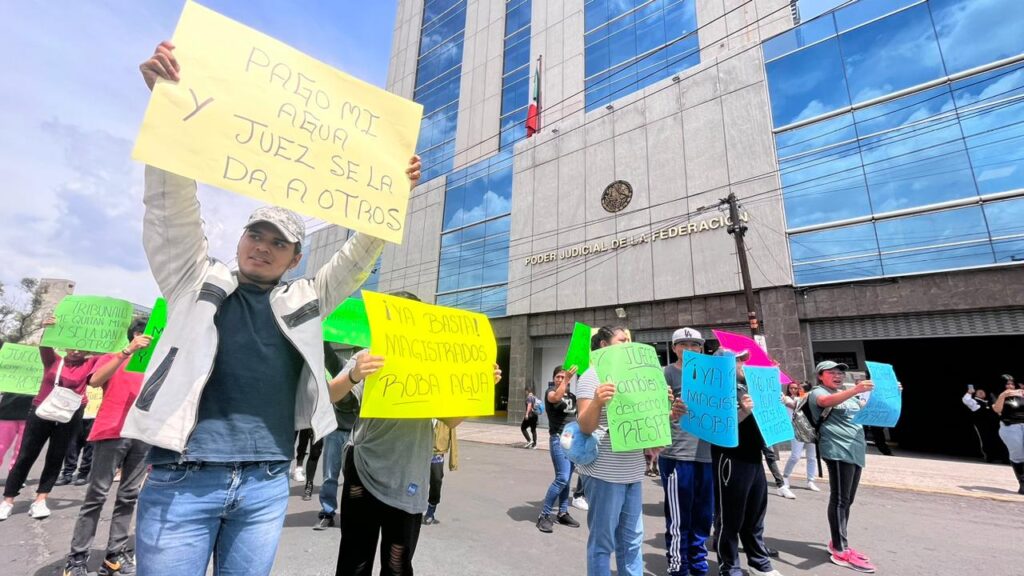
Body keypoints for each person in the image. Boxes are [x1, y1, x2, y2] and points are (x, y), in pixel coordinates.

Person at [126, 42, 421, 576]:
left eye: (277, 242)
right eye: (255, 235)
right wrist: (166, 114)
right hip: (182, 478)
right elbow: (170, 209)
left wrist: (390, 195)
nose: (262, 247)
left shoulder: (304, 300)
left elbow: (355, 261)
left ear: (295, 257)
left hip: (265, 484)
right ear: (240, 239)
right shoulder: (193, 278)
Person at [576, 325, 675, 576]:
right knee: (603, 542)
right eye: (622, 340)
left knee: (632, 540)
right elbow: (585, 426)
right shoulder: (591, 376)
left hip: (633, 470)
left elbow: (645, 425)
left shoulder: (637, 377)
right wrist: (597, 401)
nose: (628, 344)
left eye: (629, 340)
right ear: (604, 345)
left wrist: (665, 408)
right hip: (603, 473)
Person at [62, 322, 153, 576]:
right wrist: (127, 351)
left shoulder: (154, 364)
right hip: (111, 431)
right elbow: (95, 381)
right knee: (97, 495)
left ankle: (115, 554)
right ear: (137, 334)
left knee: (129, 495)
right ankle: (77, 559)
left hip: (141, 435)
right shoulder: (113, 357)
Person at [1, 326, 102, 521]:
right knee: (25, 455)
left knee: (56, 456)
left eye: (81, 348)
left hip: (70, 414)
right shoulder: (53, 360)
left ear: (88, 350)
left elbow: (110, 354)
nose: (75, 351)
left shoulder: (91, 363)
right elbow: (45, 344)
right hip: (42, 410)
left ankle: (41, 500)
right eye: (72, 347)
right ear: (65, 346)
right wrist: (49, 327)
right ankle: (8, 500)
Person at [711, 348, 785, 576]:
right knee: (730, 518)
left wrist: (774, 394)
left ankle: (758, 562)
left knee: (755, 515)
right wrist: (743, 411)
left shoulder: (750, 387)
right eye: (738, 360)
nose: (744, 363)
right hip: (730, 459)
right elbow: (718, 427)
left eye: (745, 358)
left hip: (754, 457)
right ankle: (729, 566)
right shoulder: (717, 389)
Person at [810, 360, 878, 572]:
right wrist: (856, 390)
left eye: (840, 372)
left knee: (848, 500)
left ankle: (837, 541)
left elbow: (869, 410)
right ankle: (840, 549)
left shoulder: (849, 394)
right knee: (840, 499)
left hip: (855, 450)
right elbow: (825, 401)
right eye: (831, 372)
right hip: (837, 450)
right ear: (820, 376)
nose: (837, 376)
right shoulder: (818, 392)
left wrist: (890, 393)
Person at [660, 328, 714, 576]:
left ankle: (699, 565)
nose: (690, 349)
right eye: (683, 344)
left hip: (707, 455)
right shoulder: (665, 374)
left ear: (701, 349)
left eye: (695, 345)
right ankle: (678, 567)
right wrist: (670, 409)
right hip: (677, 456)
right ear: (674, 349)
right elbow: (654, 414)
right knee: (679, 517)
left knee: (703, 516)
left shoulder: (712, 376)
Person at [315, 344, 360, 530]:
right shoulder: (342, 367)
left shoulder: (373, 375)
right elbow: (328, 355)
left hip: (356, 434)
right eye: (356, 353)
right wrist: (320, 334)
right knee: (330, 476)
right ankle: (327, 512)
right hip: (335, 431)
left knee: (355, 479)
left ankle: (354, 514)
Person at [536, 365, 581, 533]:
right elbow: (556, 397)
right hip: (558, 440)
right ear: (553, 379)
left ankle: (562, 513)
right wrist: (567, 379)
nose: (561, 379)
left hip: (573, 442)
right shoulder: (550, 392)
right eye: (558, 377)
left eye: (564, 377)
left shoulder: (573, 397)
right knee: (562, 478)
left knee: (567, 480)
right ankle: (544, 515)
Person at [56, 383, 102, 487]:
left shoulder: (105, 374)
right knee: (72, 445)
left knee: (90, 447)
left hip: (95, 414)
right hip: (76, 412)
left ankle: (84, 473)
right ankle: (67, 473)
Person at [779, 382, 819, 499]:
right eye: (792, 388)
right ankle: (785, 477)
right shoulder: (788, 398)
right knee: (795, 456)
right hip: (797, 429)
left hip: (810, 428)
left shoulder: (808, 398)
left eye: (797, 388)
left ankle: (810, 480)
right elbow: (794, 406)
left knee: (812, 457)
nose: (795, 390)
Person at [423, 418, 458, 525]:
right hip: (421, 451)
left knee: (436, 481)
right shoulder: (424, 415)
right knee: (415, 481)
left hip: (437, 454)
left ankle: (430, 511)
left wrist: (453, 462)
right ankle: (412, 510)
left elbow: (453, 438)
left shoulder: (446, 416)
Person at [992, 382, 1024, 494]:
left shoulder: (1020, 394)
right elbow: (997, 410)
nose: (1009, 387)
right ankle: (1022, 483)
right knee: (1018, 454)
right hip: (1010, 427)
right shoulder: (997, 395)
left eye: (1012, 384)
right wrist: (1003, 396)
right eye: (1007, 384)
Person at [962, 387, 1008, 463]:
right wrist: (969, 392)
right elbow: (966, 400)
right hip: (982, 425)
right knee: (986, 440)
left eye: (982, 392)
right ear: (975, 394)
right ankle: (990, 457)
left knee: (1000, 440)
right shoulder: (974, 401)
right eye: (979, 392)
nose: (981, 393)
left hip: (995, 424)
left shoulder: (990, 401)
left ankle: (1004, 458)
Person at [293, 429, 324, 500]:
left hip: (319, 425)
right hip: (305, 423)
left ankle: (309, 484)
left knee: (315, 453)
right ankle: (299, 466)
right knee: (302, 444)